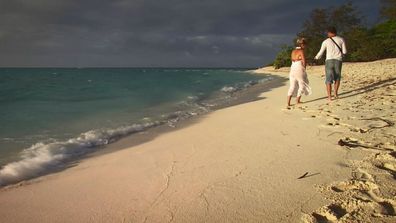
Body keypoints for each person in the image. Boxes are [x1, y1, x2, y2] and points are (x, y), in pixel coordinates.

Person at [314, 26, 347, 101]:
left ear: (330, 32)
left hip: (329, 61)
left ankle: (329, 97)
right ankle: (335, 94)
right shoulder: (341, 39)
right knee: (337, 78)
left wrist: (316, 58)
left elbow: (320, 53)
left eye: (327, 32)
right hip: (338, 60)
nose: (327, 34)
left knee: (328, 79)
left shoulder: (325, 41)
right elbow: (345, 52)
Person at [287, 38, 312, 107]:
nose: (306, 46)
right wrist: (304, 69)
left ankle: (288, 103)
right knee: (302, 85)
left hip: (292, 68)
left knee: (292, 86)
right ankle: (297, 100)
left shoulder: (293, 51)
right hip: (299, 67)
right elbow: (304, 61)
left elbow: (292, 59)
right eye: (305, 45)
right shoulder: (301, 51)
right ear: (302, 45)